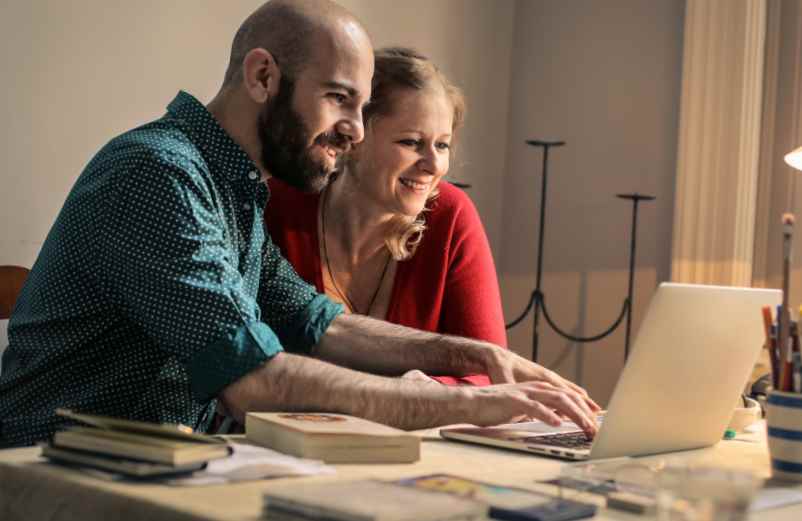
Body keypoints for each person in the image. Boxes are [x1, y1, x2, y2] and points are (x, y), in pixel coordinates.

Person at [0, 0, 598, 449]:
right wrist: (471, 405)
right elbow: (253, 378)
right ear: (263, 78)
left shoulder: (232, 186)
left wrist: (480, 358)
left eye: (362, 108)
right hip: (53, 471)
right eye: (339, 99)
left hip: (153, 466)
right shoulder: (159, 174)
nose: (357, 131)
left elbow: (318, 323)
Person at [266, 47, 504, 386]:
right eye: (411, 142)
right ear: (354, 138)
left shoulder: (450, 215)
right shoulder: (277, 204)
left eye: (442, 145)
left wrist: (427, 392)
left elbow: (488, 371)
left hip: (418, 437)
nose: (434, 166)